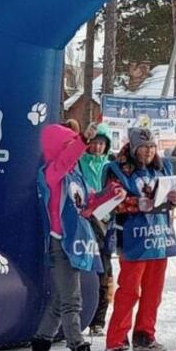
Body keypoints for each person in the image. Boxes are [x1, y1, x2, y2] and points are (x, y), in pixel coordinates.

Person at [31, 122, 124, 351]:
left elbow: (86, 205)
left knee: (62, 299)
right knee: (72, 301)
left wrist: (110, 194)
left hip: (77, 240)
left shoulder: (75, 174)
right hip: (60, 241)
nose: (80, 151)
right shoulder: (51, 172)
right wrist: (83, 138)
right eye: (72, 146)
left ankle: (40, 350)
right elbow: (65, 159)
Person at [104, 127, 176, 351]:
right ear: (134, 148)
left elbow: (171, 190)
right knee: (129, 289)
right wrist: (135, 204)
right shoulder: (117, 169)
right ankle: (117, 339)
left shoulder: (163, 166)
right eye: (143, 147)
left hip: (159, 235)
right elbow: (110, 199)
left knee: (154, 291)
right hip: (132, 237)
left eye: (151, 147)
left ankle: (144, 334)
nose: (148, 152)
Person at [79, 125, 115, 337]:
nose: (98, 147)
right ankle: (81, 314)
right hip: (85, 219)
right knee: (85, 269)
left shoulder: (110, 165)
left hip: (107, 219)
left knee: (105, 270)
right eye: (95, 142)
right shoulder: (80, 162)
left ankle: (98, 319)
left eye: (102, 143)